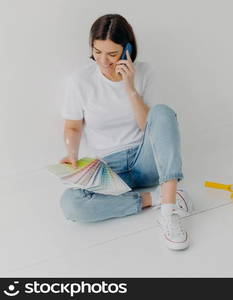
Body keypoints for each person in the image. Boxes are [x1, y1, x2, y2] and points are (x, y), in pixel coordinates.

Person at [59, 14, 192, 251]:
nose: (104, 61)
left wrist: (129, 88)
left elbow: (149, 126)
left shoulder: (145, 72)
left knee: (162, 112)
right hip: (109, 168)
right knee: (71, 204)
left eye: (112, 54)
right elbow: (73, 126)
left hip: (146, 161)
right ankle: (155, 200)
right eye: (97, 51)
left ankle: (169, 210)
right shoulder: (79, 81)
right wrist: (72, 154)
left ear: (127, 48)